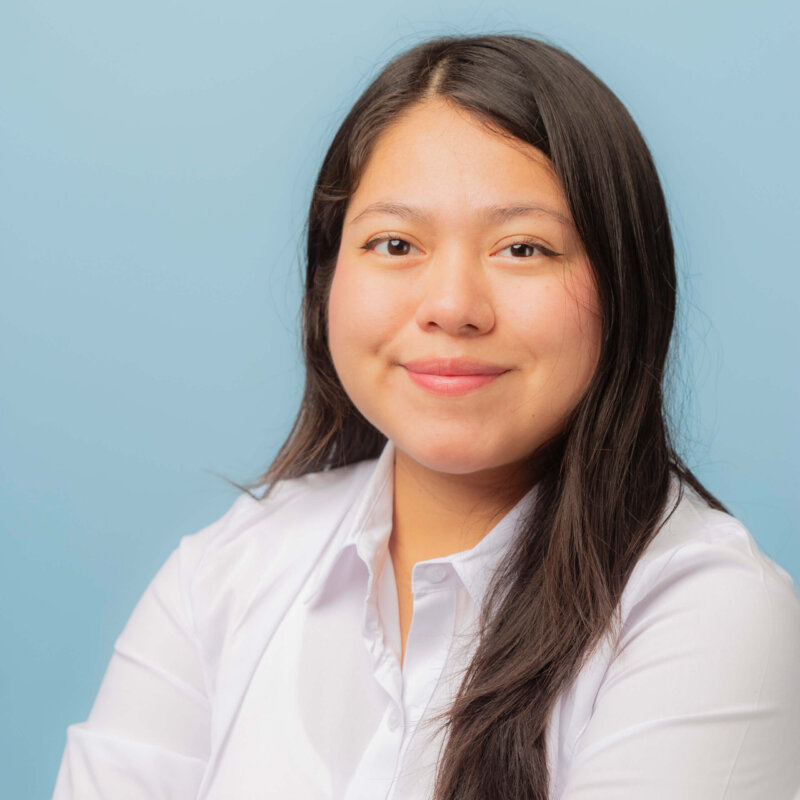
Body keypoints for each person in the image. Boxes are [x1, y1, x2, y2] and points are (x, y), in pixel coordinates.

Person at [52, 33, 800, 800]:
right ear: (327, 280)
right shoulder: (223, 574)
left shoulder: (710, 613)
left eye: (523, 248)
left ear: (626, 287)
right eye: (395, 242)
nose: (451, 307)